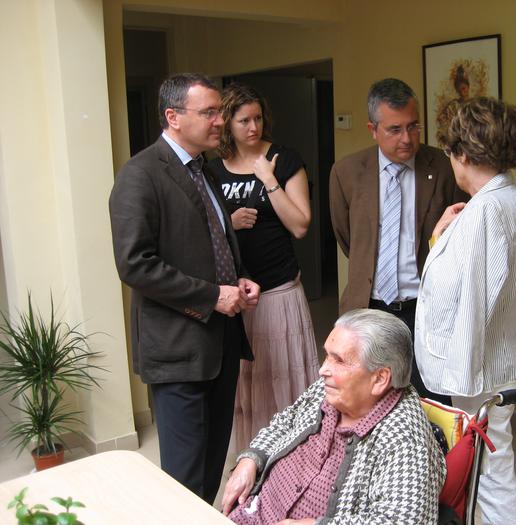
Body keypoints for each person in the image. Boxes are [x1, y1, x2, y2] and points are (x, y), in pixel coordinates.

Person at [109, 73, 260, 504]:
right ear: (173, 117)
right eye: (209, 112)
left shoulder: (203, 170)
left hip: (222, 341)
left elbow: (211, 240)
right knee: (183, 479)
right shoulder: (140, 174)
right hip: (178, 348)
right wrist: (213, 296)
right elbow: (135, 264)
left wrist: (238, 278)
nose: (220, 121)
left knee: (211, 467)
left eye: (220, 112)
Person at [415, 96, 516, 525]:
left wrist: (458, 377)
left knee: (488, 469)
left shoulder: (487, 213)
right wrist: (440, 241)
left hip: (480, 365)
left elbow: (469, 301)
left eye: (450, 151)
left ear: (465, 154)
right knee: (494, 459)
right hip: (503, 354)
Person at [221, 309, 446, 525]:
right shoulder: (330, 389)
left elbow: (402, 521)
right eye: (327, 355)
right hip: (253, 512)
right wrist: (251, 459)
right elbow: (287, 421)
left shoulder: (404, 442)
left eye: (338, 360)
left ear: (379, 379)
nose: (323, 370)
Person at [329, 78, 466, 403]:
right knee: (368, 400)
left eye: (413, 126)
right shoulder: (347, 172)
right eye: (394, 129)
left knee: (431, 400)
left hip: (425, 307)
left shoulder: (444, 167)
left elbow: (460, 233)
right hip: (370, 308)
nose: (407, 138)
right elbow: (348, 239)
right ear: (373, 129)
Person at [208, 82, 319, 453]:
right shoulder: (213, 170)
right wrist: (230, 223)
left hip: (279, 290)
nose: (253, 127)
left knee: (285, 383)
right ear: (228, 123)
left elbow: (300, 225)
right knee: (247, 387)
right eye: (244, 121)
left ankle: (294, 462)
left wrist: (269, 181)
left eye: (257, 118)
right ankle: (253, 462)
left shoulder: (284, 160)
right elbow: (202, 234)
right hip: (236, 296)